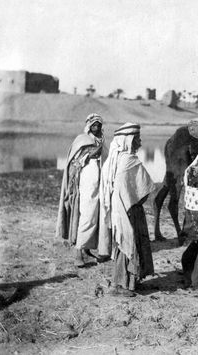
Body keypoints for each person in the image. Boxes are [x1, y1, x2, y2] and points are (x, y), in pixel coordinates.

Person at [100, 123, 155, 297]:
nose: (139, 142)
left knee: (123, 242)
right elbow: (144, 188)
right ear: (128, 141)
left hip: (121, 208)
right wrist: (135, 201)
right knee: (127, 242)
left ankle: (128, 281)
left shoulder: (114, 160)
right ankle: (122, 285)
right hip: (129, 209)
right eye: (137, 138)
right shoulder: (130, 161)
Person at [56, 113, 107, 267]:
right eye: (94, 125)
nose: (96, 127)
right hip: (87, 179)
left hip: (101, 179)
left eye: (99, 125)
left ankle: (87, 248)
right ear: (88, 126)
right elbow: (75, 163)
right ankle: (78, 251)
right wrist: (90, 154)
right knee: (88, 213)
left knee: (99, 214)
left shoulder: (102, 140)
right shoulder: (82, 140)